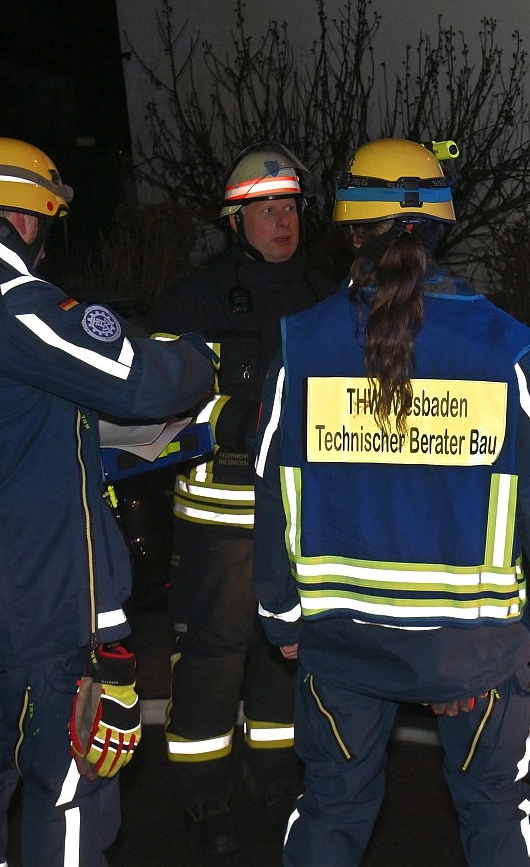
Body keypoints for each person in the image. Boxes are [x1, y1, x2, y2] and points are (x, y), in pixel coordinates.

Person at [251, 138, 530, 867]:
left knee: (332, 810)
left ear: (351, 231)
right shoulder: (504, 347)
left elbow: (273, 490)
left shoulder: (301, 346)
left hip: (342, 643)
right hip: (474, 648)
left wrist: (280, 616)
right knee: (495, 810)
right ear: (440, 229)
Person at [0, 137, 216, 867]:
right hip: (31, 615)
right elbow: (140, 379)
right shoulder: (6, 301)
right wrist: (201, 357)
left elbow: (3, 426)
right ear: (27, 216)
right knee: (70, 794)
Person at [150, 142, 333, 852]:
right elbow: (154, 404)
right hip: (218, 521)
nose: (284, 222)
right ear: (235, 222)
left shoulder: (328, 299)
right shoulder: (191, 302)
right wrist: (237, 419)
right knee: (211, 661)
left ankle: (274, 780)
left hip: (302, 520)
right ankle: (202, 796)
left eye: (291, 208)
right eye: (267, 211)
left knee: (286, 654)